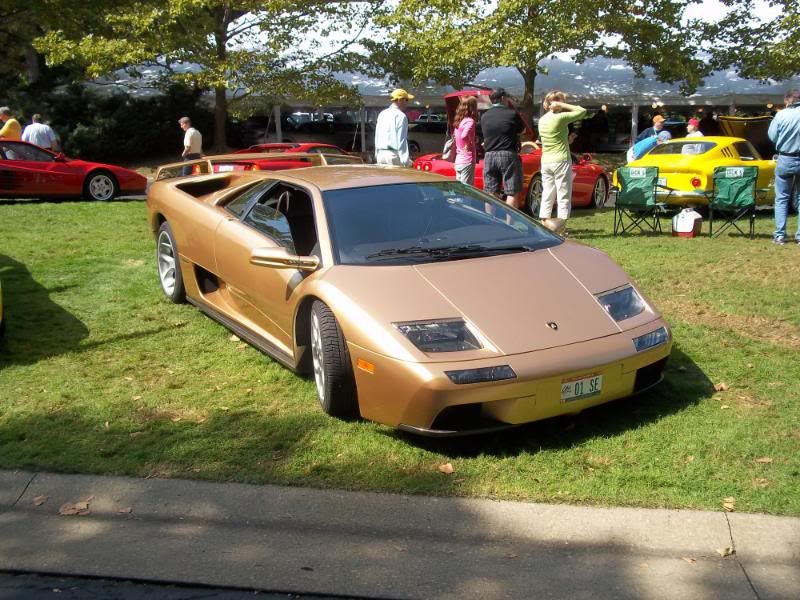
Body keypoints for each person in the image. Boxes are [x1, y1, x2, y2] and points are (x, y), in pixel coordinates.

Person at [537, 91, 587, 233]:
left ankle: (544, 222)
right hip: (561, 160)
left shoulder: (542, 120)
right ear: (557, 103)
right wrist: (562, 104)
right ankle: (560, 225)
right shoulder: (560, 118)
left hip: (546, 160)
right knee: (563, 193)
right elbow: (582, 111)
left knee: (547, 192)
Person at [480, 88, 526, 208]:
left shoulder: (484, 116)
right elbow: (523, 130)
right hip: (507, 154)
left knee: (490, 192)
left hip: (489, 155)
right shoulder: (511, 113)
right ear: (502, 98)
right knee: (512, 192)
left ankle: (491, 224)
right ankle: (509, 223)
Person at [767, 89, 800, 245]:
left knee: (781, 198)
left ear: (788, 101)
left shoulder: (781, 115)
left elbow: (772, 136)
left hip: (785, 157)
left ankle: (780, 235)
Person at [374, 88, 415, 167]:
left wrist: (376, 154)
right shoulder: (401, 116)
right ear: (400, 100)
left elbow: (377, 136)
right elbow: (402, 140)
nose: (407, 103)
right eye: (406, 100)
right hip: (393, 156)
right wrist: (405, 162)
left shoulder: (382, 114)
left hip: (380, 155)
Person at [453, 96, 478, 186]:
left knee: (460, 189)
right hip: (467, 159)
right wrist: (470, 143)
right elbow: (464, 135)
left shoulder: (459, 121)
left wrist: (472, 139)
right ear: (472, 108)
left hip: (459, 159)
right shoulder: (470, 121)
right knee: (467, 191)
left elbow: (459, 136)